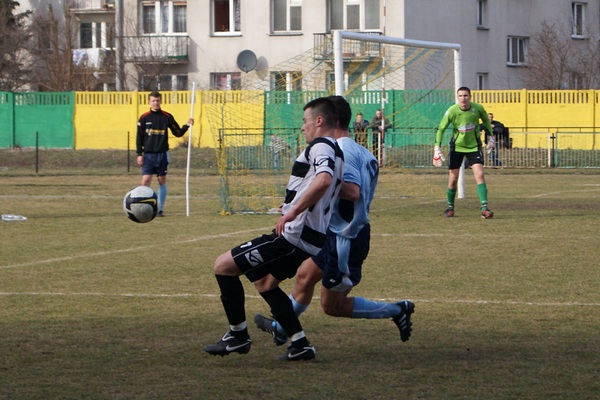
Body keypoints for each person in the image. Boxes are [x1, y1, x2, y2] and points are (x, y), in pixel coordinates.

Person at [253, 95, 415, 348]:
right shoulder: (362, 151)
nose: (305, 126)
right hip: (332, 233)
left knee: (332, 306)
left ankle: (397, 310)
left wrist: (310, 191)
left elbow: (352, 192)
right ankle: (282, 329)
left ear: (330, 120)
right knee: (304, 277)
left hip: (345, 238)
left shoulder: (342, 150)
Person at [204, 97, 344, 361]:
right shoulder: (336, 150)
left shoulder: (321, 146)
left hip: (293, 237)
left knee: (222, 266)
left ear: (319, 121)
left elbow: (324, 181)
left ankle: (238, 336)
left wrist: (293, 212)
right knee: (265, 283)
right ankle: (300, 344)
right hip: (309, 237)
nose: (302, 127)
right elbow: (322, 186)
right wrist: (293, 202)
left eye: (304, 121)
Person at [433, 86, 494, 219]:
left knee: (480, 174)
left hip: (474, 147)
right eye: (460, 96)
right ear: (457, 97)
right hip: (457, 147)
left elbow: (486, 122)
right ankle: (450, 208)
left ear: (470, 97)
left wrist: (491, 138)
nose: (463, 98)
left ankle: (484, 208)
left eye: (465, 95)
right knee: (453, 179)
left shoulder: (478, 108)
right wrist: (437, 148)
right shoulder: (452, 111)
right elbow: (441, 129)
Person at [136, 91, 194, 217]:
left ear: (160, 101)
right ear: (149, 102)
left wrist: (187, 125)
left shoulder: (166, 116)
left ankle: (159, 209)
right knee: (145, 181)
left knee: (161, 181)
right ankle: (145, 207)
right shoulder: (144, 117)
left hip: (162, 154)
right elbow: (139, 137)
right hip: (148, 155)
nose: (155, 103)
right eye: (153, 101)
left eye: (157, 101)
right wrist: (139, 154)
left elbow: (177, 132)